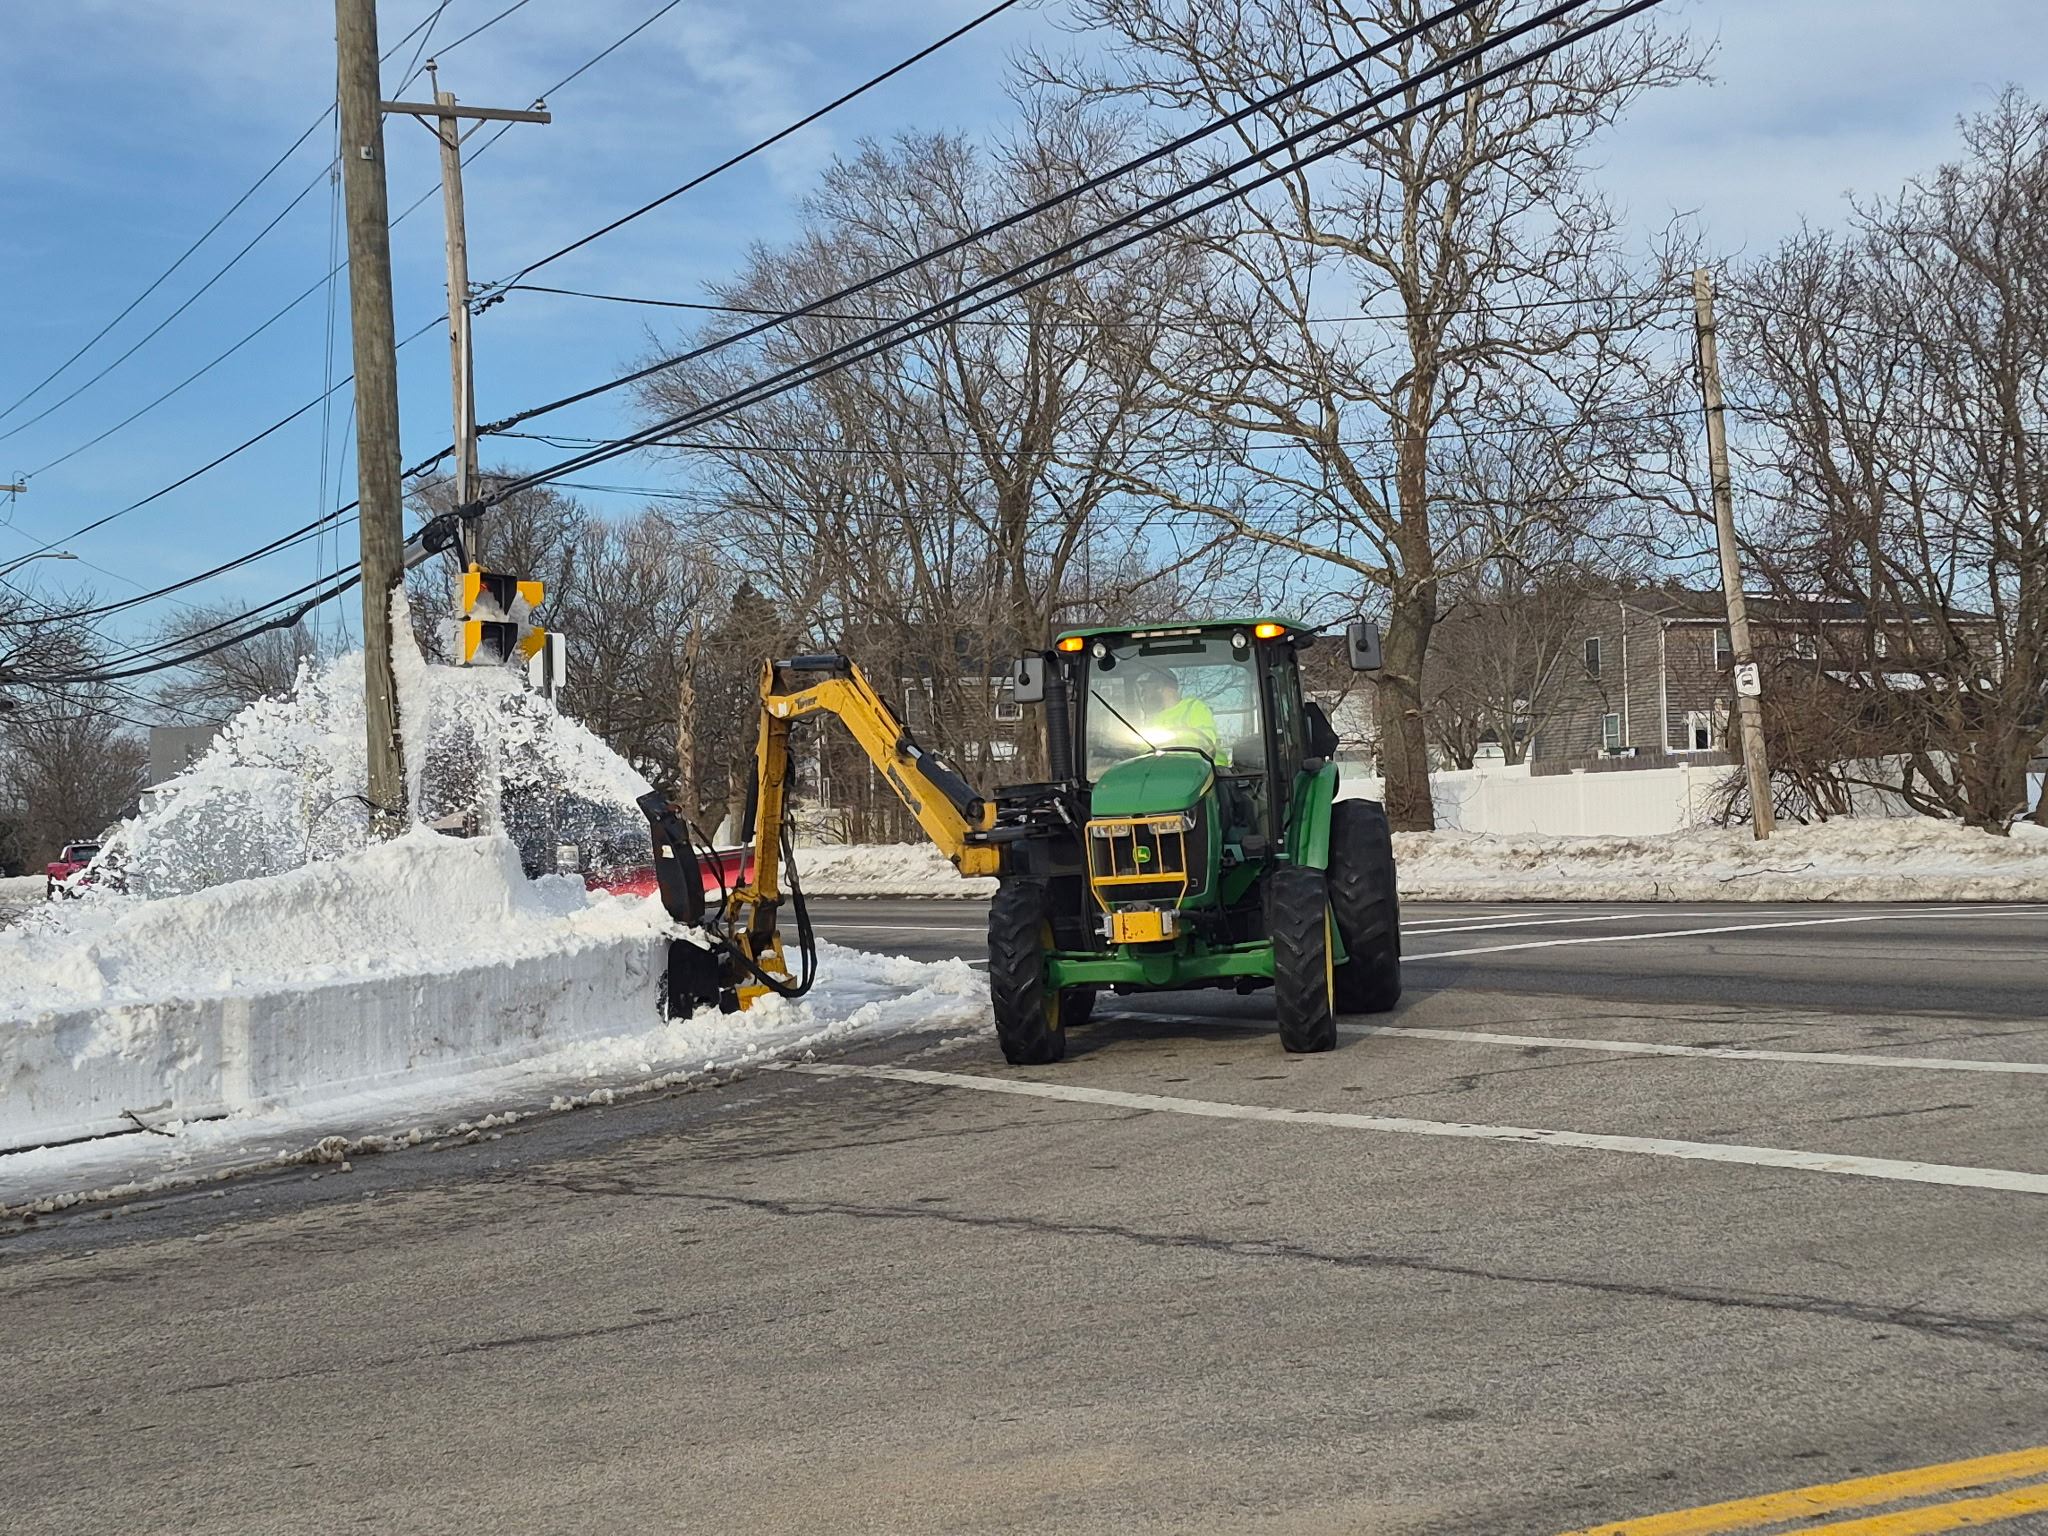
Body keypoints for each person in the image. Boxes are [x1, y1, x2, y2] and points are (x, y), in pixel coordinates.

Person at [1141, 671, 1220, 759]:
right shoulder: (1155, 719)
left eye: (1149, 689)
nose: (1146, 695)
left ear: (1163, 688)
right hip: (1168, 765)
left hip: (1205, 766)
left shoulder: (1194, 707)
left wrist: (1177, 734)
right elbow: (1145, 747)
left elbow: (1208, 738)